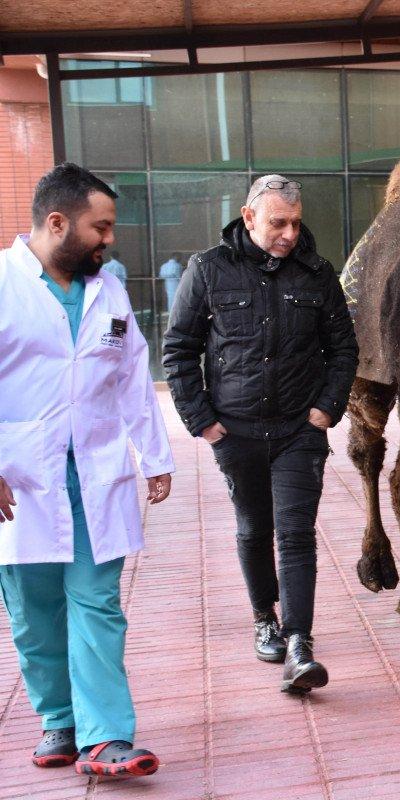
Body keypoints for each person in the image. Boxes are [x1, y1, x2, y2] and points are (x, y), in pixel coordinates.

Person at [0, 163, 174, 777]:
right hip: (17, 480)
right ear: (57, 222)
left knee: (98, 602)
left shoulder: (109, 289)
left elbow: (130, 374)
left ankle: (106, 736)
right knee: (33, 613)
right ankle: (59, 721)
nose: (109, 239)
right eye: (100, 228)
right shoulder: (1, 283)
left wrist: (154, 457)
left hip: (95, 474)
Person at [162, 174, 357, 694]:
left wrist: (326, 410)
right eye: (278, 223)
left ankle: (299, 643)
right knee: (254, 527)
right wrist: (202, 421)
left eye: (296, 222)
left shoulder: (317, 274)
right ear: (249, 218)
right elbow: (179, 349)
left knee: (296, 532)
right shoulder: (208, 270)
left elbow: (343, 350)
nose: (290, 233)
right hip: (237, 432)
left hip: (299, 431)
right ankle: (263, 617)